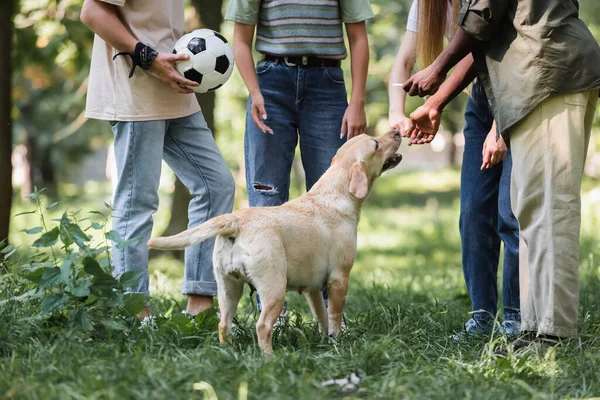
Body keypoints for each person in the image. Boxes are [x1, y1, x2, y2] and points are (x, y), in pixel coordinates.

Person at [403, 0, 600, 344]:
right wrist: (435, 103)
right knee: (532, 208)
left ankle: (553, 333)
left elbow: (483, 13)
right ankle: (534, 328)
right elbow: (487, 34)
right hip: (538, 77)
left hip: (546, 73)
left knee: (549, 208)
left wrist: (437, 67)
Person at [81, 0, 235, 317]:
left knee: (217, 186)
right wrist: (149, 58)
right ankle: (135, 313)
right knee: (137, 203)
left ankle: (199, 305)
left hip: (174, 84)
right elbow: (92, 12)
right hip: (136, 87)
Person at [225, 0, 374, 316]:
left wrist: (357, 101)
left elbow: (359, 37)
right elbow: (240, 39)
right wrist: (254, 92)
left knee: (332, 203)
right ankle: (270, 311)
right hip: (270, 83)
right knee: (266, 195)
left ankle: (328, 317)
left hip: (327, 85)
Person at [389, 0, 520, 338]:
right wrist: (399, 113)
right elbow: (408, 58)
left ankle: (517, 317)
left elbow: (480, 50)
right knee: (474, 211)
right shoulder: (428, 5)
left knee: (510, 213)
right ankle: (481, 318)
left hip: (518, 91)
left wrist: (500, 128)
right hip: (482, 100)